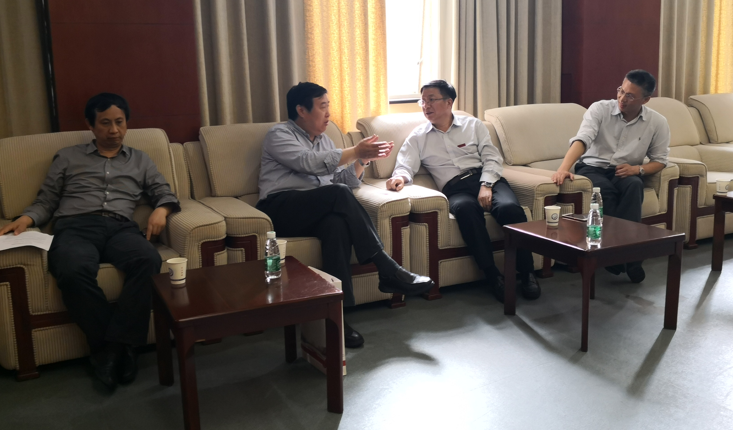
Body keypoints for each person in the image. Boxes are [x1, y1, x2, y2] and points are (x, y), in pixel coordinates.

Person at [0, 93, 180, 391]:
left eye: (119, 122)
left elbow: (163, 192)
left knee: (148, 260)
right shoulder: (68, 156)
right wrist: (26, 219)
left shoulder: (141, 159)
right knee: (71, 269)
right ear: (91, 126)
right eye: (105, 123)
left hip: (121, 229)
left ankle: (111, 350)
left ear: (127, 124)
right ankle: (118, 348)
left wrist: (162, 210)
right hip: (76, 227)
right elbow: (47, 200)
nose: (114, 130)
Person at [256, 82, 434, 349]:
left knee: (336, 225)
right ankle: (387, 268)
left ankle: (338, 317)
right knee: (337, 195)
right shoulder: (279, 134)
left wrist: (362, 160)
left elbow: (343, 181)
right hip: (280, 207)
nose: (328, 113)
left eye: (328, 106)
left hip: (316, 210)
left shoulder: (326, 141)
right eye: (322, 106)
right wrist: (354, 151)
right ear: (301, 110)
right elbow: (307, 163)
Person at [386, 80, 541, 303]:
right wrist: (399, 178)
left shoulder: (473, 125)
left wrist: (486, 185)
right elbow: (405, 165)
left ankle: (527, 272)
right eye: (423, 101)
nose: (425, 106)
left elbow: (492, 158)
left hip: (487, 179)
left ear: (449, 102)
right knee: (466, 211)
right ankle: (492, 275)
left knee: (510, 209)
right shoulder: (419, 136)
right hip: (455, 188)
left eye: (431, 100)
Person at [551, 69, 671, 283]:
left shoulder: (657, 122)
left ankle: (617, 257)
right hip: (592, 167)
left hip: (625, 171)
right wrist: (563, 168)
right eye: (621, 91)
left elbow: (660, 160)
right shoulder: (600, 109)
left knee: (634, 186)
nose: (622, 98)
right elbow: (583, 139)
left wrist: (638, 169)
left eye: (630, 96)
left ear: (646, 100)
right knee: (604, 192)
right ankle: (629, 259)